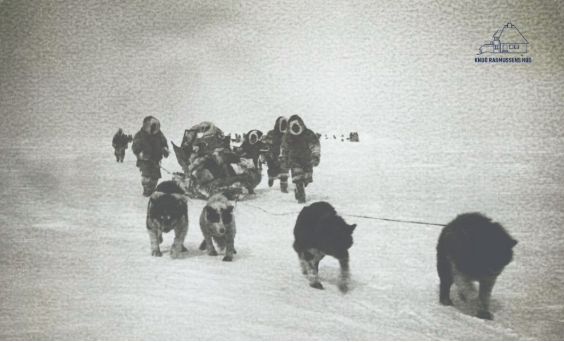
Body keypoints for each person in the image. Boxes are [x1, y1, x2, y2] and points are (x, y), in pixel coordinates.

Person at [279, 115, 320, 203]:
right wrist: (283, 158)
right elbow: (284, 148)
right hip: (294, 159)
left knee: (306, 179)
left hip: (307, 159)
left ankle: (299, 189)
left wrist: (315, 155)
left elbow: (315, 144)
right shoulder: (288, 136)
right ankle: (301, 196)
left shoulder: (308, 133)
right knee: (298, 178)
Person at [132, 116, 170, 197]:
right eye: (152, 126)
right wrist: (140, 154)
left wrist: (165, 149)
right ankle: (146, 190)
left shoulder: (159, 134)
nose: (154, 128)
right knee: (147, 175)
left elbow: (164, 143)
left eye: (155, 126)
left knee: (155, 177)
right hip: (144, 160)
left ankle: (151, 189)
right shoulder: (139, 135)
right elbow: (135, 147)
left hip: (156, 159)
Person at [262, 116, 288, 191]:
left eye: (285, 124)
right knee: (273, 170)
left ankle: (284, 187)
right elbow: (267, 143)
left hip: (283, 155)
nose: (284, 126)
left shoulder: (287, 135)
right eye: (282, 124)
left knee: (284, 170)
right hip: (273, 155)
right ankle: (271, 177)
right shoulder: (271, 133)